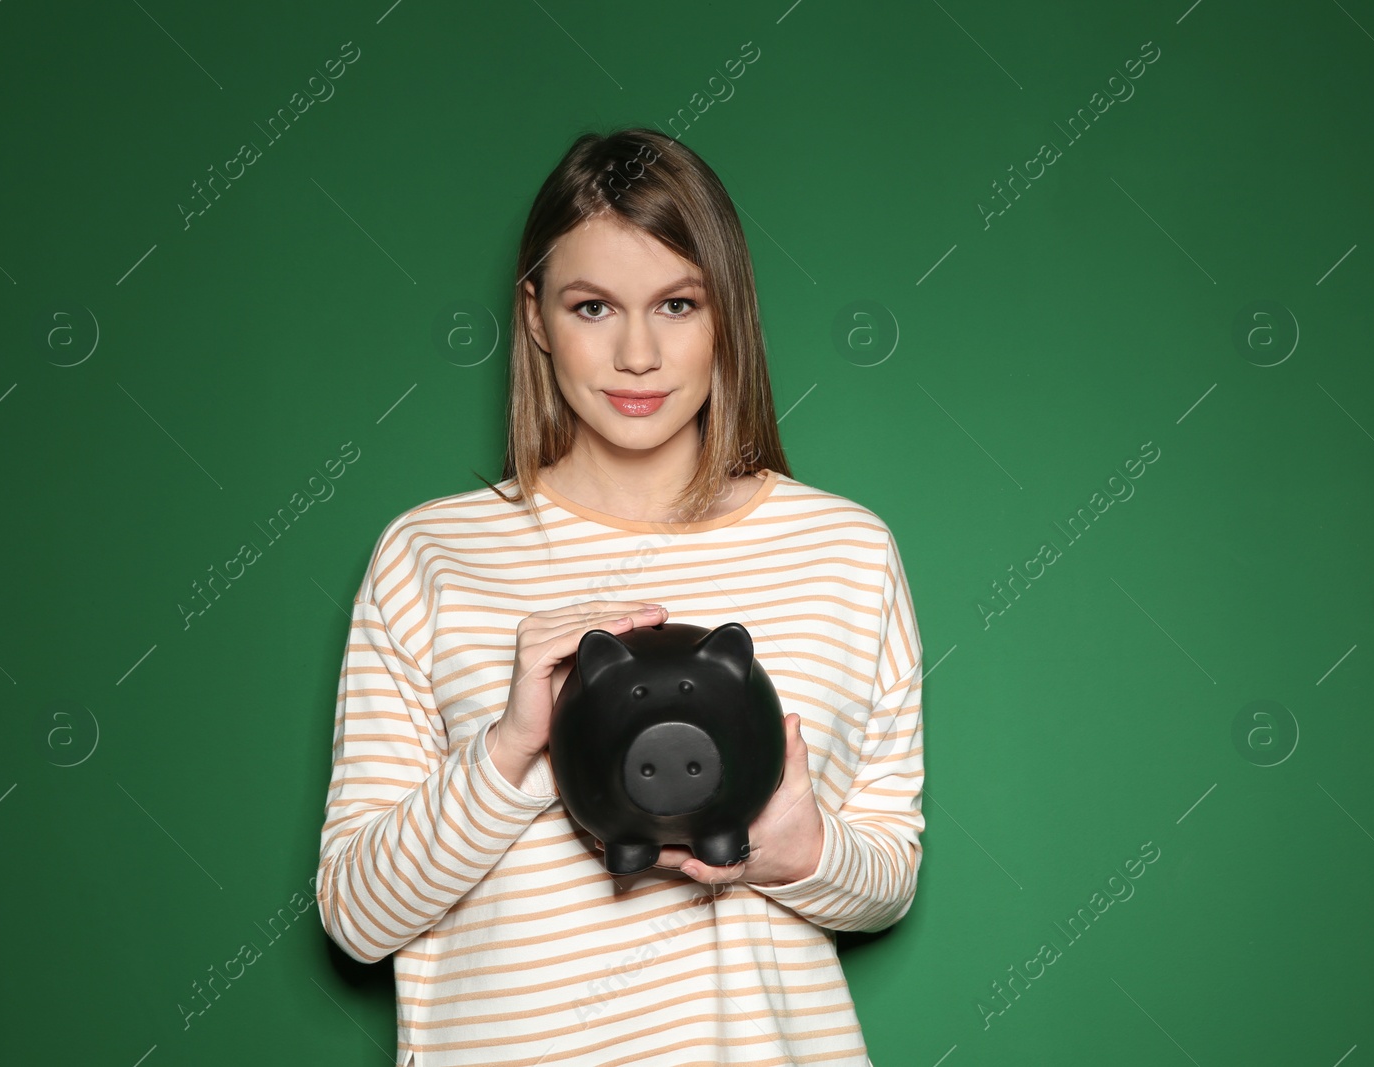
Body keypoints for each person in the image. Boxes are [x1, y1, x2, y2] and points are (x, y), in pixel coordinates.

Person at [315, 127, 924, 1067]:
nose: (638, 353)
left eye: (677, 304)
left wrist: (801, 852)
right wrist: (510, 750)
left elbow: (889, 875)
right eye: (593, 305)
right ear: (534, 316)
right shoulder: (431, 554)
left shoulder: (844, 549)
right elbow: (356, 916)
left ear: (727, 314)